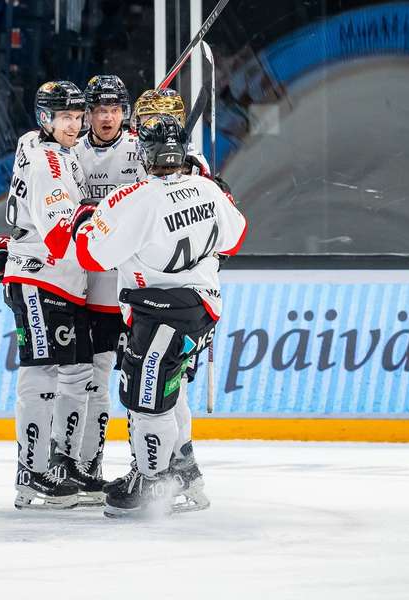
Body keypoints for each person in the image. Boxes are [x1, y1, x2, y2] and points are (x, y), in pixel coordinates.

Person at [71, 115, 247, 518]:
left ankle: (153, 482)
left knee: (144, 396)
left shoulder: (134, 199)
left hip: (159, 310)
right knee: (170, 390)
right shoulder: (206, 188)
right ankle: (183, 470)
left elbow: (91, 255)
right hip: (201, 307)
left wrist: (87, 219)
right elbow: (235, 238)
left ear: (145, 153)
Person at [0, 80, 100, 510]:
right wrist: (99, 216)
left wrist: (14, 240)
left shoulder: (33, 142)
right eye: (64, 117)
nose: (74, 125)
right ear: (45, 120)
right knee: (42, 373)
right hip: (42, 277)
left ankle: (63, 464)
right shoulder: (49, 165)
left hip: (63, 279)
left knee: (76, 374)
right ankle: (30, 471)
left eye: (77, 116)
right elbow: (57, 238)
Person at [72, 74, 141, 484]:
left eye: (114, 109)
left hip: (133, 288)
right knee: (95, 383)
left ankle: (143, 466)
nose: (106, 117)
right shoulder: (73, 153)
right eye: (99, 109)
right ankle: (88, 464)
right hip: (93, 289)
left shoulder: (140, 149)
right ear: (87, 114)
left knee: (135, 383)